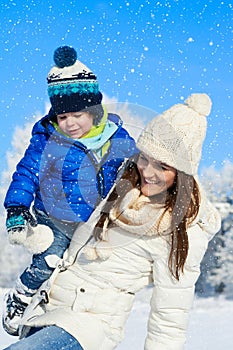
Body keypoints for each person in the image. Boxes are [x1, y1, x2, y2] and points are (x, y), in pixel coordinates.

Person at [3, 93, 221, 350]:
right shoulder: (118, 186)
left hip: (87, 327)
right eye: (145, 159)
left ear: (182, 173)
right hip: (46, 312)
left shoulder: (183, 229)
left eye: (162, 166)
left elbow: (169, 319)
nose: (148, 173)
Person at [2, 45, 137, 336]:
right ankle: (22, 296)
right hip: (52, 216)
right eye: (62, 117)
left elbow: (133, 172)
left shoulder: (117, 138)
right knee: (49, 258)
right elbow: (26, 172)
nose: (70, 123)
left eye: (77, 114)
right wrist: (16, 207)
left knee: (81, 271)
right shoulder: (48, 139)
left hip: (91, 222)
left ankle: (61, 313)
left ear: (93, 110)